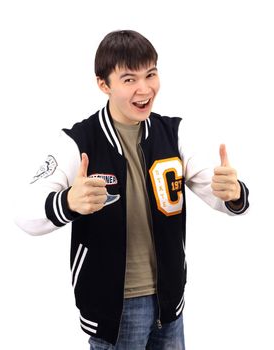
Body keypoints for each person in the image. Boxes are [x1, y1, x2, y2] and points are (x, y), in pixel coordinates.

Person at [15, 30, 249, 350]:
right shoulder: (78, 141)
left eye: (150, 74)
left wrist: (232, 192)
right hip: (116, 309)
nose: (144, 89)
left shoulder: (175, 132)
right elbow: (24, 212)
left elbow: (220, 193)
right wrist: (68, 201)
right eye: (129, 79)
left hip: (170, 302)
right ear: (103, 84)